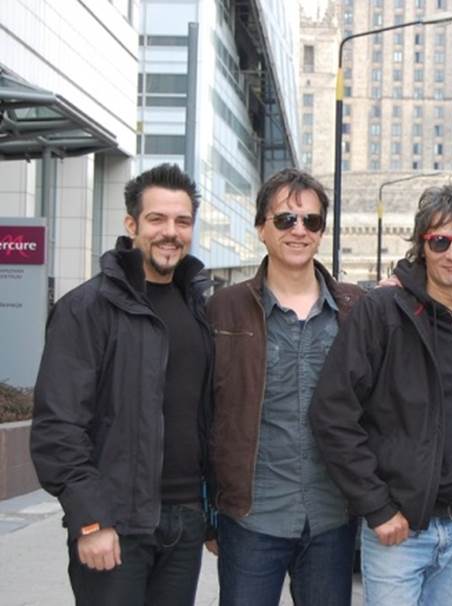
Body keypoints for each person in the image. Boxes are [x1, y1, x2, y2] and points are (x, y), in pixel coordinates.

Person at [309, 182, 452, 606]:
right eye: (440, 241)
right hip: (399, 527)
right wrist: (377, 506)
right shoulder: (381, 312)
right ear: (422, 246)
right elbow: (332, 413)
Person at [30, 163, 213, 605]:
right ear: (131, 224)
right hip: (115, 525)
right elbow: (58, 426)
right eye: (157, 219)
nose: (170, 232)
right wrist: (90, 519)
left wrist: (212, 514)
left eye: (182, 221)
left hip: (186, 522)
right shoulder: (87, 308)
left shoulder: (198, 308)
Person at [206, 169, 363, 606]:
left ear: (322, 232)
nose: (299, 230)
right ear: (261, 228)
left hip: (333, 518)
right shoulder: (223, 309)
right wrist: (207, 511)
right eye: (285, 219)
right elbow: (205, 414)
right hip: (251, 519)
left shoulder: (357, 309)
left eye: (311, 221)